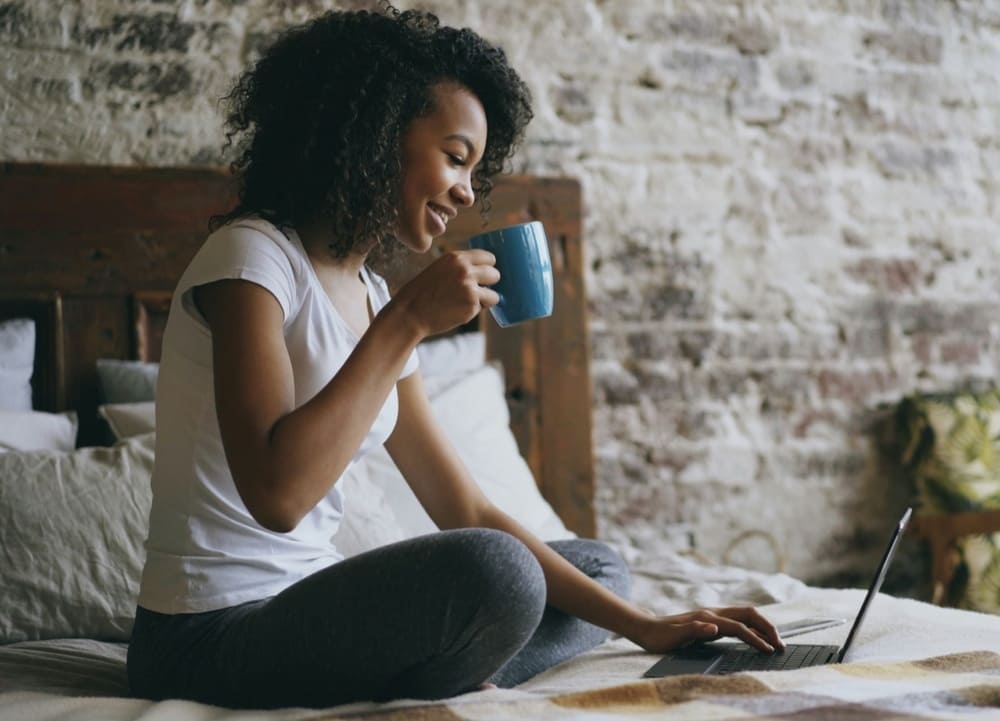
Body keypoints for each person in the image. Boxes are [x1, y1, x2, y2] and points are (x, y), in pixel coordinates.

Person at [126, 3, 783, 710]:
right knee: (501, 572)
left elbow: (461, 504)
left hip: (304, 611)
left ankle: (434, 675)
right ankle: (436, 674)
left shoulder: (372, 295)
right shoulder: (252, 259)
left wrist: (645, 626)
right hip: (205, 638)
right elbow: (277, 496)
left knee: (598, 569)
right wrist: (409, 320)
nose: (468, 191)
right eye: (455, 156)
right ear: (378, 135)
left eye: (474, 169)